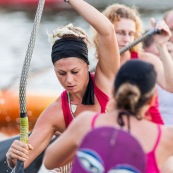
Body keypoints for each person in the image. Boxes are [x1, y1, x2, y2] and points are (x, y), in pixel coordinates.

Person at [6, 0, 120, 170]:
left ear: (87, 66)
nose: (69, 80)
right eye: (61, 73)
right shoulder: (55, 112)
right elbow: (21, 163)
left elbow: (107, 31)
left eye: (75, 72)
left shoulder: (104, 82)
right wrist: (12, 156)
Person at [43, 59, 173, 173]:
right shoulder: (166, 138)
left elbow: (50, 162)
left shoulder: (86, 122)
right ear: (151, 100)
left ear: (113, 91)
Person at [93, 4, 173, 124]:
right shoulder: (99, 68)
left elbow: (170, 85)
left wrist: (161, 46)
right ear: (106, 33)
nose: (126, 39)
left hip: (150, 128)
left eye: (130, 34)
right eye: (121, 32)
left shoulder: (147, 60)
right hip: (116, 129)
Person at [143, 30, 173, 125]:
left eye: (169, 51)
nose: (166, 56)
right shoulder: (141, 76)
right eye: (159, 52)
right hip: (157, 131)